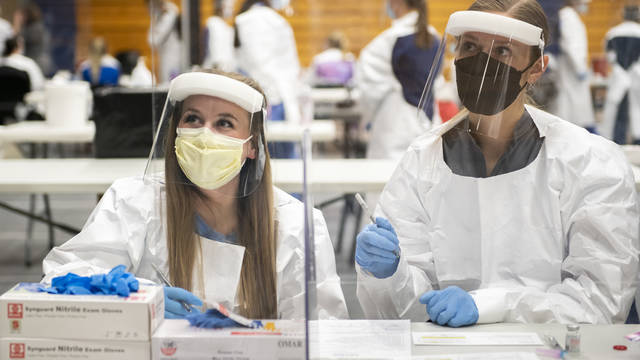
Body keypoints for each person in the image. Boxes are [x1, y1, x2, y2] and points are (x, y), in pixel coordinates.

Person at [355, 0, 639, 327]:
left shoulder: (589, 162)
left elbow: (601, 302)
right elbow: (402, 313)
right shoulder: (423, 160)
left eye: (502, 51)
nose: (482, 64)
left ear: (537, 67)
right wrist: (390, 275)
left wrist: (495, 306)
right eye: (471, 46)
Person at [42, 70, 348, 320]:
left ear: (252, 145)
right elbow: (62, 282)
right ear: (175, 131)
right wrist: (138, 300)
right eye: (193, 119)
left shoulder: (297, 225)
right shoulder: (132, 202)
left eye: (224, 123)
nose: (205, 135)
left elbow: (323, 333)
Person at [356, 0, 441, 162]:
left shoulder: (389, 40)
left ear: (397, 3)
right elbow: (437, 82)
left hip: (394, 126)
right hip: (429, 123)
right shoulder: (435, 38)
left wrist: (367, 118)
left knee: (385, 181)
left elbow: (367, 90)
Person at [234, 0, 301, 158]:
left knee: (269, 158)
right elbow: (260, 64)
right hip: (269, 98)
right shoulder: (260, 20)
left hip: (269, 98)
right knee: (267, 157)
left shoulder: (256, 19)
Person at [553, 0, 596, 132]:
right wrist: (580, 68)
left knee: (573, 106)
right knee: (571, 107)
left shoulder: (569, 15)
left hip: (571, 69)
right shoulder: (568, 15)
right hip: (571, 69)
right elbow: (572, 44)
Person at [600, 5, 640, 144]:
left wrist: (620, 68)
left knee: (618, 109)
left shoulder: (613, 33)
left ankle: (618, 140)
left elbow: (609, 55)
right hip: (636, 76)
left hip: (619, 75)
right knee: (636, 108)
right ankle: (637, 140)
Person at [147, 0, 183, 83]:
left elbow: (153, 41)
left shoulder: (169, 14)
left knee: (168, 84)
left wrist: (155, 17)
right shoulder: (164, 13)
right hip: (167, 57)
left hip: (171, 58)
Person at [12, 2, 52, 76]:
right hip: (35, 61)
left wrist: (17, 24)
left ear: (26, 15)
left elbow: (16, 41)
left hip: (37, 62)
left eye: (21, 15)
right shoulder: (31, 27)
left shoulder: (35, 28)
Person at [202, 0, 235, 71]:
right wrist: (217, 64)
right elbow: (214, 44)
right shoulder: (213, 22)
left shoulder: (228, 26)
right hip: (217, 66)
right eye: (226, 7)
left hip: (228, 65)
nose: (230, 9)